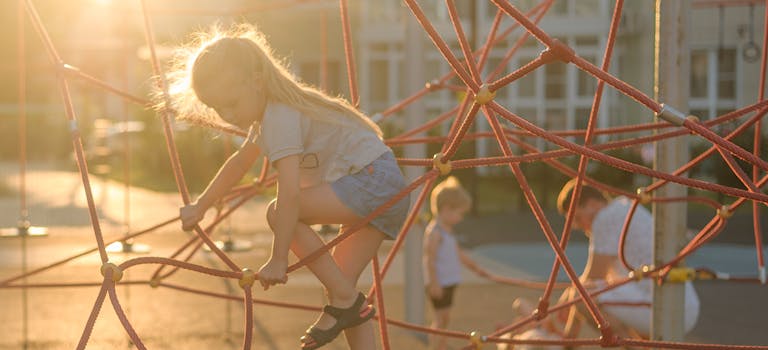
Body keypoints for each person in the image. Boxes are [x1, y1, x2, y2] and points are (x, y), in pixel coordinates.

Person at [167, 25, 410, 350]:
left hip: (370, 181)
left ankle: (343, 302)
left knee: (278, 212)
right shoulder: (270, 117)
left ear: (256, 80)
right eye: (217, 109)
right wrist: (202, 205)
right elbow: (238, 164)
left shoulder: (280, 115)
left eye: (231, 102)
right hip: (382, 186)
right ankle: (349, 311)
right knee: (342, 290)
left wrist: (278, 258)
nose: (227, 115)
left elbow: (291, 194)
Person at [552, 178, 700, 338]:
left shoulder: (605, 218)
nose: (577, 226)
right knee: (597, 296)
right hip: (682, 304)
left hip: (663, 307)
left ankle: (566, 344)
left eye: (577, 218)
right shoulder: (624, 207)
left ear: (593, 204)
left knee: (580, 298)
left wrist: (567, 326)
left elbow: (590, 282)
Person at [423, 176, 480, 350]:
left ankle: (440, 343)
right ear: (447, 209)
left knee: (445, 317)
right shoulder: (435, 232)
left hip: (448, 281)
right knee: (440, 318)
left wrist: (476, 268)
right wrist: (434, 283)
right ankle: (436, 345)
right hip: (439, 283)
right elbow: (429, 259)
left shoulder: (447, 231)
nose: (461, 218)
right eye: (460, 213)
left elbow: (458, 253)